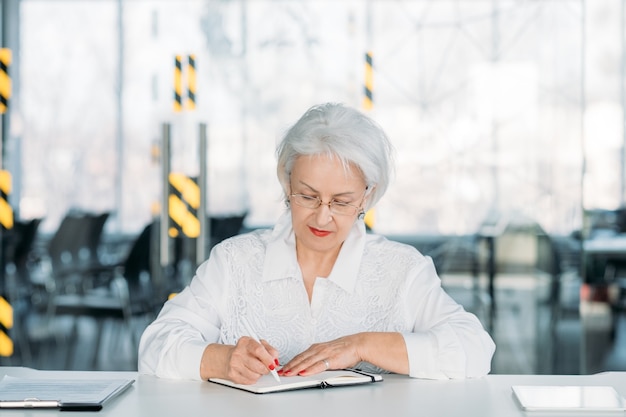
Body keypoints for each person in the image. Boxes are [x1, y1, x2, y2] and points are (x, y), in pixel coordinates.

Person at [138, 102, 496, 383]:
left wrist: (360, 345)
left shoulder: (403, 269)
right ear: (287, 185)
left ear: (367, 197)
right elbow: (156, 345)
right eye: (307, 197)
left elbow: (475, 349)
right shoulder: (235, 261)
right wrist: (222, 359)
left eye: (341, 202)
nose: (322, 217)